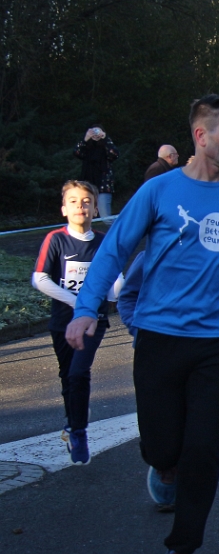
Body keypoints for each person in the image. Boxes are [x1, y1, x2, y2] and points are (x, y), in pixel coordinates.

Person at [66, 93, 219, 554]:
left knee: (203, 450)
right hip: (159, 338)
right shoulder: (158, 191)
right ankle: (163, 467)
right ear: (201, 136)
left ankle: (180, 552)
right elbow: (114, 251)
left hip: (215, 343)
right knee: (163, 446)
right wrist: (85, 310)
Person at [32, 181, 124, 465]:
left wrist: (111, 295)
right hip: (62, 320)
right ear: (63, 209)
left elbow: (116, 278)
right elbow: (40, 279)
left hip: (94, 320)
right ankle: (73, 422)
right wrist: (78, 303)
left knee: (78, 373)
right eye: (73, 201)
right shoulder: (56, 239)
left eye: (86, 201)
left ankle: (80, 432)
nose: (80, 206)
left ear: (95, 209)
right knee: (67, 376)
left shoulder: (104, 241)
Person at [73, 126, 119, 218]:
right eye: (93, 131)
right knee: (88, 216)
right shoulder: (86, 148)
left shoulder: (106, 147)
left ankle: (119, 227)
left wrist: (105, 137)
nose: (95, 133)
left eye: (98, 131)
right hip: (88, 185)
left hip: (103, 185)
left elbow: (114, 154)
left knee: (105, 217)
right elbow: (76, 152)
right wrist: (85, 138)